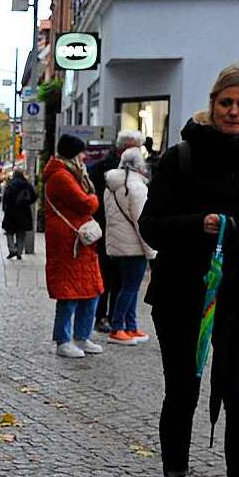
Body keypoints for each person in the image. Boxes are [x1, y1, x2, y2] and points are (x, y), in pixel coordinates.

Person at [140, 63, 239, 477]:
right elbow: (152, 225)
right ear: (213, 104)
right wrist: (199, 224)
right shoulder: (181, 159)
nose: (234, 112)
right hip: (183, 298)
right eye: (226, 103)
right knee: (183, 395)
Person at [44, 134, 105, 359]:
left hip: (80, 240)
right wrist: (93, 198)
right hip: (68, 242)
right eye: (81, 152)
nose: (85, 156)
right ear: (73, 153)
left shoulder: (71, 173)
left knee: (91, 290)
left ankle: (81, 336)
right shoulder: (61, 176)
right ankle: (63, 340)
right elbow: (86, 202)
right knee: (68, 294)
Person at [89, 130, 144, 332]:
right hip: (107, 231)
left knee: (122, 279)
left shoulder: (136, 172)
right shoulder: (102, 169)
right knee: (107, 276)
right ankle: (103, 317)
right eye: (135, 148)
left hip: (120, 233)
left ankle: (115, 318)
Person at [103, 147, 156, 345]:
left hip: (117, 244)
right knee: (131, 288)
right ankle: (118, 328)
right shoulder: (137, 187)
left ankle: (130, 326)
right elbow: (141, 222)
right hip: (134, 246)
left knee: (128, 287)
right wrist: (151, 252)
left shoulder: (111, 185)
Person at [1, 169, 36, 260]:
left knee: (9, 232)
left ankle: (12, 249)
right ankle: (19, 252)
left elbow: (5, 198)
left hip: (11, 212)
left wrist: (5, 208)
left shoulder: (10, 185)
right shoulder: (27, 185)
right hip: (24, 213)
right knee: (21, 233)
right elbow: (33, 197)